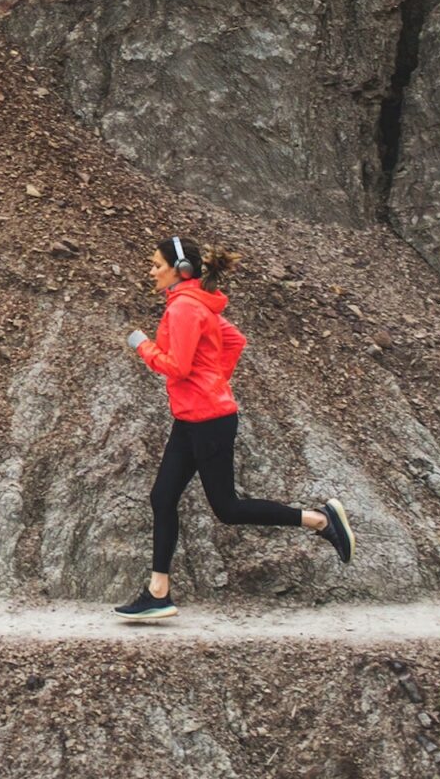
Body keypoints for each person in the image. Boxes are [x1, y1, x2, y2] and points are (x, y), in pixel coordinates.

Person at [113, 236, 354, 621]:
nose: (151, 271)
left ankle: (320, 519)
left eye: (157, 264)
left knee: (227, 508)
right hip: (193, 417)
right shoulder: (196, 303)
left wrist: (142, 345)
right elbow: (234, 341)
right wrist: (214, 383)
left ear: (181, 270)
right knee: (162, 497)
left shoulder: (185, 308)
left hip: (208, 420)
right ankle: (158, 592)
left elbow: (177, 367)